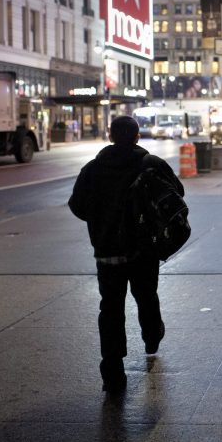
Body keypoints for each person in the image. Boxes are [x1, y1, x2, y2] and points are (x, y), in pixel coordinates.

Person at [68, 116, 183, 394]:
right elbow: (177, 193)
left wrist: (102, 222)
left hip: (107, 252)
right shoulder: (151, 164)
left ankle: (112, 370)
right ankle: (152, 336)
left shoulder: (92, 169)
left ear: (110, 135)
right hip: (143, 250)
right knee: (146, 295)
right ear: (137, 136)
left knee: (110, 308)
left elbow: (77, 205)